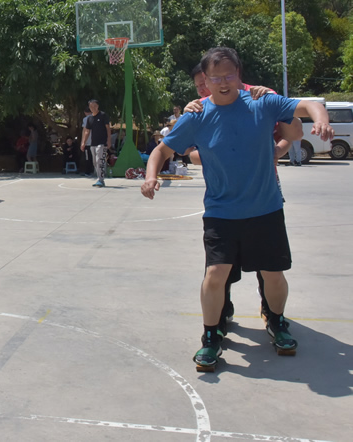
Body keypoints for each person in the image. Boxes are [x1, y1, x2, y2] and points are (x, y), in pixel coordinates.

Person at [141, 47, 333, 370]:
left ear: (239, 75)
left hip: (265, 208)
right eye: (215, 78)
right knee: (216, 274)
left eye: (228, 75)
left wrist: (322, 120)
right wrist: (150, 177)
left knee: (273, 274)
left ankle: (276, 320)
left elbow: (310, 106)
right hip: (221, 212)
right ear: (205, 81)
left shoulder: (261, 102)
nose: (222, 82)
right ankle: (211, 335)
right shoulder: (197, 115)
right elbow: (161, 151)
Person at [186, 62, 304, 336]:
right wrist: (216, 154)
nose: (203, 90)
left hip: (263, 192)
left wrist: (276, 151)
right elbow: (189, 152)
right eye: (200, 86)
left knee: (269, 264)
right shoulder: (202, 108)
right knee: (219, 265)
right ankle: (220, 314)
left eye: (205, 83)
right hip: (225, 196)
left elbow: (291, 132)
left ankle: (272, 312)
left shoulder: (260, 96)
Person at [80, 99, 112, 187]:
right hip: (93, 143)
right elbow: (87, 131)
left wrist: (109, 140)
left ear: (97, 106)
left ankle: (101, 180)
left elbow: (108, 128)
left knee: (99, 160)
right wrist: (83, 142)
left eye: (94, 106)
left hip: (102, 142)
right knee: (95, 161)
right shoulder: (89, 118)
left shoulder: (103, 115)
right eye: (91, 106)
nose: (93, 108)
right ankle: (99, 178)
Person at [81, 108, 94, 177]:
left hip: (88, 142)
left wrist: (83, 142)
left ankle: (87, 172)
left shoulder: (86, 119)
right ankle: (94, 170)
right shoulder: (96, 117)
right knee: (93, 157)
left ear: (85, 112)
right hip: (95, 141)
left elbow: (85, 131)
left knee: (87, 157)